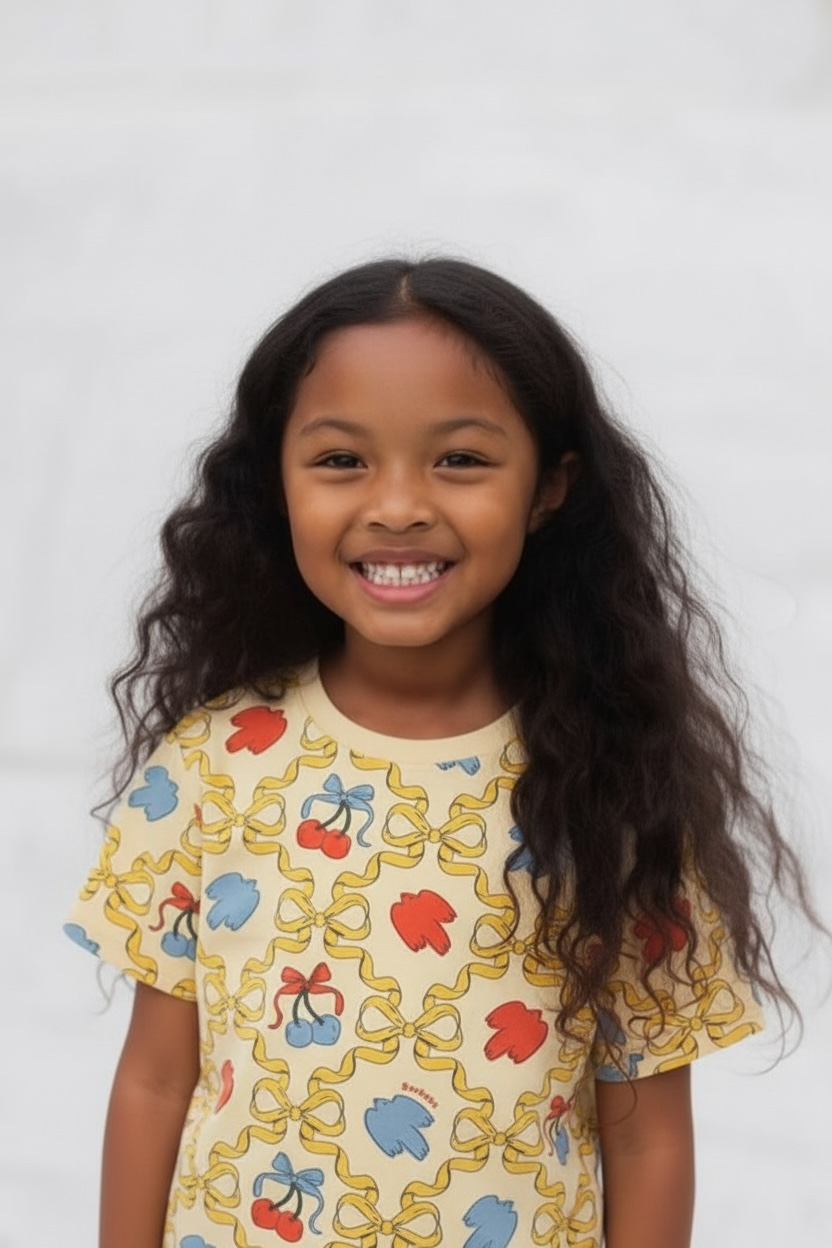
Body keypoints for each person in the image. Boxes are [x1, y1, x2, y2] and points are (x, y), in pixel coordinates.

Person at [65, 257, 811, 1248]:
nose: (398, 505)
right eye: (341, 460)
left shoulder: (609, 790)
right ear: (275, 481)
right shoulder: (209, 764)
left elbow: (647, 1138)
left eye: (459, 459)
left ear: (550, 487)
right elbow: (158, 1079)